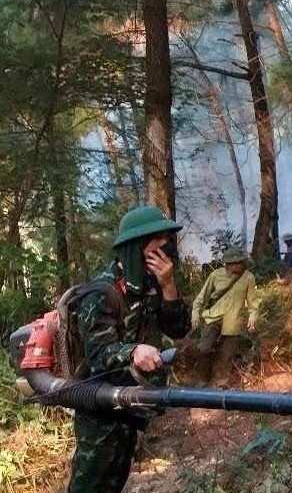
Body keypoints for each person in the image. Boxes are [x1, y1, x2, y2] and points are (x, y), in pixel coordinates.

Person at [66, 205, 191, 493]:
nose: (166, 251)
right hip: (99, 406)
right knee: (89, 483)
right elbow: (98, 355)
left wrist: (169, 285)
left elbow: (179, 329)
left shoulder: (152, 285)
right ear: (136, 247)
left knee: (115, 481)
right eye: (158, 244)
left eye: (167, 244)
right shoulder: (102, 292)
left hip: (131, 404)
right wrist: (133, 351)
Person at [189, 246, 257, 387]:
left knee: (227, 354)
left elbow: (253, 302)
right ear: (227, 264)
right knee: (204, 348)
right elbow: (201, 297)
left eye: (240, 262)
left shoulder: (248, 278)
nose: (238, 265)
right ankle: (202, 379)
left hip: (233, 320)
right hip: (213, 317)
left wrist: (253, 316)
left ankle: (221, 383)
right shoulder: (216, 275)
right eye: (234, 262)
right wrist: (195, 313)